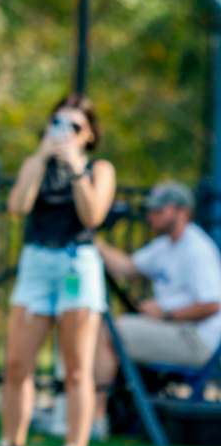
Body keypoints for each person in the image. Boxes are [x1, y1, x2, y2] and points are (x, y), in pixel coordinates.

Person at [0, 95, 116, 446]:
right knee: (17, 364)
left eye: (74, 126)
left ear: (89, 134)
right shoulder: (36, 164)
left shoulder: (98, 169)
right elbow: (17, 207)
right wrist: (42, 157)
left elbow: (93, 217)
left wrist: (74, 168)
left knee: (76, 369)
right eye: (59, 123)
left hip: (77, 266)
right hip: (37, 263)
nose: (65, 132)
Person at [94, 182, 221, 427]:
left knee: (110, 331)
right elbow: (127, 268)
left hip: (196, 340)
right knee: (98, 326)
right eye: (150, 210)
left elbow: (213, 304)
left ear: (182, 212)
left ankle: (96, 417)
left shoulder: (196, 250)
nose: (150, 216)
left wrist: (165, 314)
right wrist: (91, 239)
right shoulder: (165, 246)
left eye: (159, 211)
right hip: (175, 331)